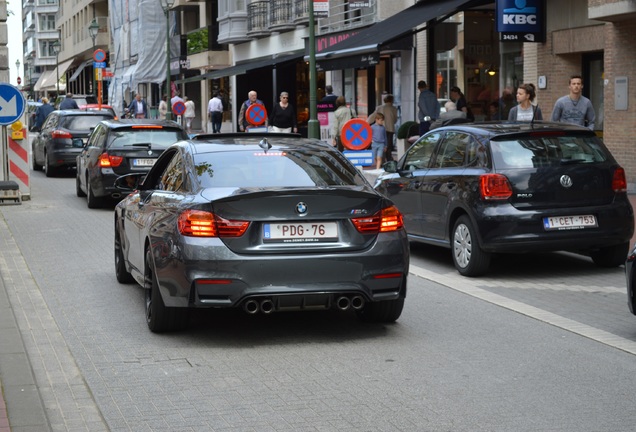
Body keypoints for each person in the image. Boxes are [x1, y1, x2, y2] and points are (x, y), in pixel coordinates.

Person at [367, 93, 398, 161]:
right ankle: (389, 158)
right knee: (388, 145)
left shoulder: (379, 108)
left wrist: (366, 123)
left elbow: (373, 116)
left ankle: (381, 159)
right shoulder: (394, 108)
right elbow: (395, 119)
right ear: (392, 100)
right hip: (390, 128)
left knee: (381, 144)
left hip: (380, 128)